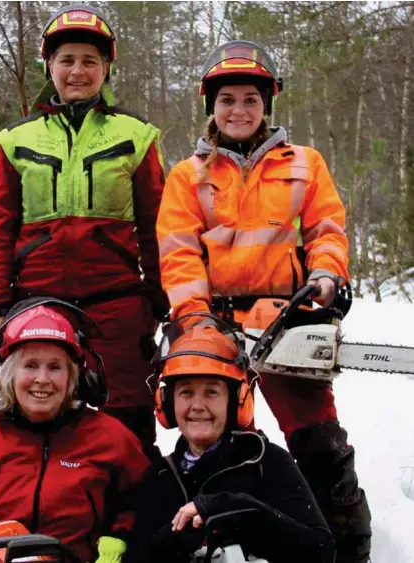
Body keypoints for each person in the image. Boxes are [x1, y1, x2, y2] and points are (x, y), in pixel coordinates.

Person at [156, 40, 371, 562]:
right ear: (213, 105)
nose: (238, 109)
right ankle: (226, 541)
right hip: (218, 325)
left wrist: (325, 276)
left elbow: (327, 229)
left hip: (288, 318)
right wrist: (194, 317)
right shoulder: (190, 174)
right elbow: (178, 251)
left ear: (265, 103)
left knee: (319, 442)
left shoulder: (304, 163)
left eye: (249, 99)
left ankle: (345, 545)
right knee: (229, 444)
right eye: (227, 99)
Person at [0, 4, 169, 456]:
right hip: (36, 302)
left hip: (119, 303)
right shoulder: (16, 139)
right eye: (67, 60)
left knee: (129, 420)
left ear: (106, 67)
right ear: (50, 65)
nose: (78, 71)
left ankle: (134, 520)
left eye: (89, 61)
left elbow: (157, 227)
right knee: (34, 413)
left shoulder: (138, 135)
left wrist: (164, 300)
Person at [123, 316, 335, 563]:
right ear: (167, 403)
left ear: (236, 401)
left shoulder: (268, 463)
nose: (197, 406)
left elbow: (321, 551)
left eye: (212, 392)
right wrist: (178, 536)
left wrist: (239, 510)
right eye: (186, 392)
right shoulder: (160, 476)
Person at [0, 298, 149, 563]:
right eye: (30, 365)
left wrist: (121, 539)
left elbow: (144, 502)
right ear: (7, 375)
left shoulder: (112, 438)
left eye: (55, 367)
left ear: (75, 378)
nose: (42, 379)